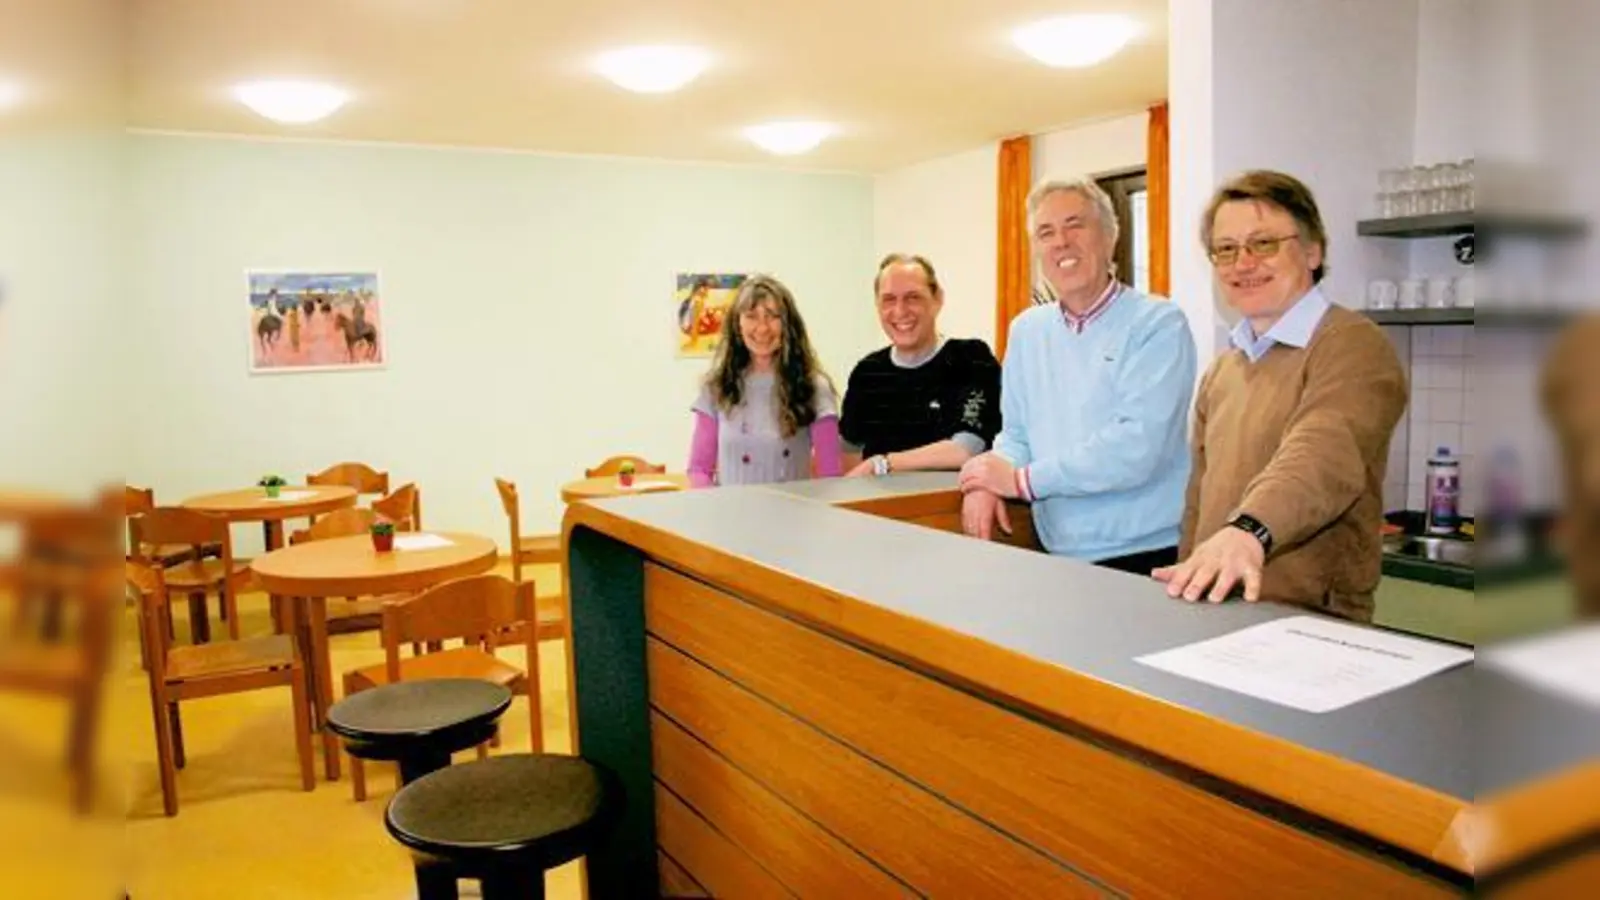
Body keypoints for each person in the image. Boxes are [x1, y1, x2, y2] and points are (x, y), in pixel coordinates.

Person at [1153, 170, 1407, 622]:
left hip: (1310, 622)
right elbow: (1199, 500)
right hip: (1217, 609)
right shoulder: (1223, 369)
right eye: (1226, 249)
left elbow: (1323, 454)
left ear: (1313, 251)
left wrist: (1248, 531)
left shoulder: (1353, 345)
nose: (1243, 263)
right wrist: (1188, 575)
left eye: (1264, 244)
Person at [958, 177, 1197, 574]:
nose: (1061, 242)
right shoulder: (1026, 331)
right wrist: (985, 481)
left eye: (1075, 225)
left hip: (1149, 552)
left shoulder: (1158, 324)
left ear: (1110, 237)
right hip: (1057, 551)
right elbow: (1016, 435)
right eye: (1046, 233)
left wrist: (1021, 482)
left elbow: (1136, 446)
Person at [839, 254, 1002, 476]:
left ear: (937, 299)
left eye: (913, 297)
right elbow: (846, 449)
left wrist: (883, 464)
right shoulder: (868, 372)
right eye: (889, 300)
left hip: (950, 498)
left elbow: (965, 450)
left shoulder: (971, 359)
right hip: (876, 498)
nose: (900, 311)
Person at [687, 274, 842, 486]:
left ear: (788, 325)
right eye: (751, 316)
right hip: (730, 508)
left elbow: (830, 475)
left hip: (792, 507)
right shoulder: (716, 387)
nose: (762, 328)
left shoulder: (815, 387)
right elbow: (699, 470)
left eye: (772, 316)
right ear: (737, 325)